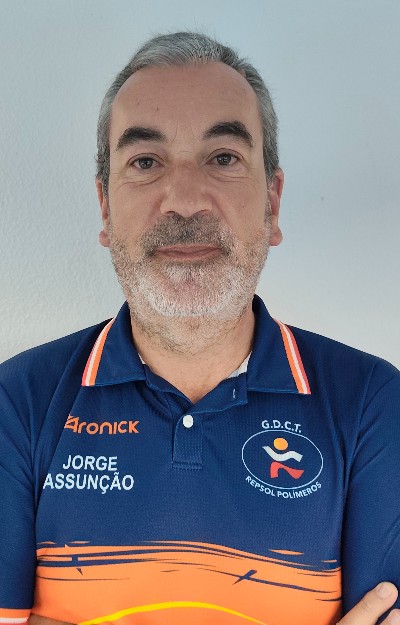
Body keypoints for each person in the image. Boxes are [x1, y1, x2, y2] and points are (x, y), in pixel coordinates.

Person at [1, 31, 399, 625]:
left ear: (272, 203)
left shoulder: (372, 402)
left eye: (223, 158)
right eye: (145, 162)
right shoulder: (17, 401)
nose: (184, 201)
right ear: (105, 207)